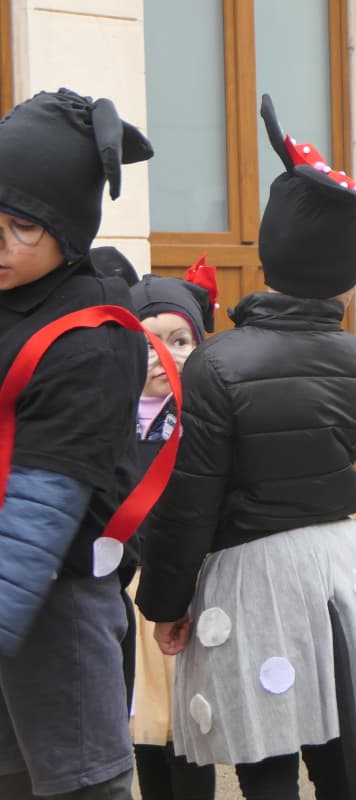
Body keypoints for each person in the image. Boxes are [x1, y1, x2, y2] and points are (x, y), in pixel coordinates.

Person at [135, 95, 356, 800]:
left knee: (264, 749)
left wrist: (165, 601)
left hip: (254, 570)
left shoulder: (219, 362)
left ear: (269, 249)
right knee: (335, 743)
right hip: (339, 561)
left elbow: (191, 499)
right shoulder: (355, 355)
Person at [0, 88, 152, 799]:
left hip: (53, 602)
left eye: (22, 225)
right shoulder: (14, 302)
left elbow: (40, 512)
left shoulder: (91, 333)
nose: (0, 240)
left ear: (69, 228)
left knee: (81, 787)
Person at [126, 267, 219, 800]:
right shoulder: (106, 419)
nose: (164, 354)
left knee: (190, 724)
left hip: (187, 586)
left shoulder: (205, 421)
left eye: (179, 340)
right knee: (143, 722)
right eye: (148, 343)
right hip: (128, 588)